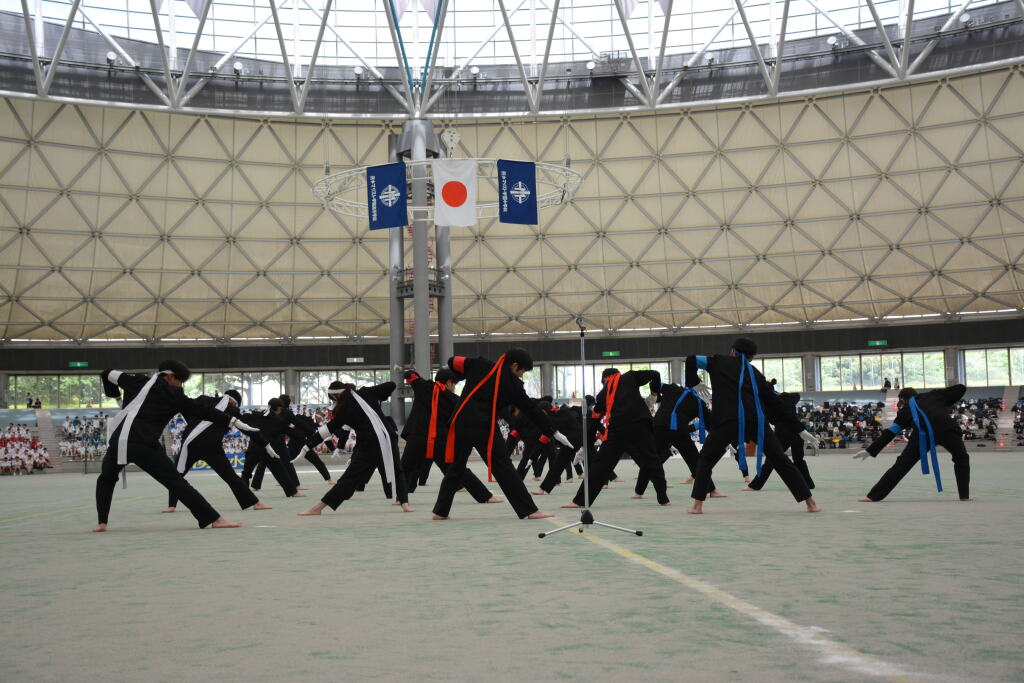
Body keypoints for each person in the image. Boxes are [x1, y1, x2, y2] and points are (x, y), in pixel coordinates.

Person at [94, 362, 251, 531]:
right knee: (176, 482)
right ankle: (214, 519)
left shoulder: (136, 380)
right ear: (170, 377)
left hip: (118, 442)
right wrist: (231, 420)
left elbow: (107, 373)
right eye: (180, 381)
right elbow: (202, 410)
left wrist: (116, 397)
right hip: (144, 444)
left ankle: (102, 523)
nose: (180, 385)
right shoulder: (173, 394)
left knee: (106, 480)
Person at [431, 348, 572, 520]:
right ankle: (529, 510)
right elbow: (532, 410)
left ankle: (440, 512)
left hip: (460, 421)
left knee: (456, 467)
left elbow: (453, 361)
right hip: (483, 426)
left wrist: (463, 376)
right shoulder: (514, 386)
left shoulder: (480, 364)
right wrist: (553, 431)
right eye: (522, 372)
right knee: (503, 467)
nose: (521, 376)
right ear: (514, 366)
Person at [684, 338, 821, 515]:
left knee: (706, 460)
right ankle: (810, 502)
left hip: (726, 421)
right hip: (757, 422)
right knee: (780, 460)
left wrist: (694, 382)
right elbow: (776, 404)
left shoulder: (718, 361)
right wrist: (800, 429)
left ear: (732, 351)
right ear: (751, 358)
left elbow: (691, 359)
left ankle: (697, 506)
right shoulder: (756, 374)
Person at [296, 381, 412, 516]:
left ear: (336, 396)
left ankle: (318, 508)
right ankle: (405, 504)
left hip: (369, 445)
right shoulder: (366, 392)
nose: (333, 402)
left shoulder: (343, 409)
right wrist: (379, 397)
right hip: (388, 439)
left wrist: (307, 446)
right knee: (397, 471)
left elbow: (327, 430)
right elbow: (391, 385)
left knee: (350, 478)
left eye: (332, 399)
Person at [562, 367, 671, 509]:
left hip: (618, 429)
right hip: (641, 424)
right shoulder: (631, 376)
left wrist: (585, 446)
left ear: (605, 379)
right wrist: (654, 394)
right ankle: (663, 498)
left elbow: (594, 422)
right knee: (652, 459)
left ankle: (580, 501)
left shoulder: (603, 394)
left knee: (601, 465)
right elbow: (655, 374)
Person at [399, 368, 502, 503]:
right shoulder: (454, 400)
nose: (454, 387)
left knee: (405, 467)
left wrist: (417, 378)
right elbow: (472, 412)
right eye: (454, 384)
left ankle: (400, 498)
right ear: (448, 382)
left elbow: (409, 375)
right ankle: (486, 497)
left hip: (416, 437)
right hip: (440, 439)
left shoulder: (424, 387)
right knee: (457, 468)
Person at [853, 384, 971, 501]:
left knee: (902, 465)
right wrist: (940, 396)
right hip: (948, 430)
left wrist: (870, 450)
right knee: (962, 459)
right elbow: (961, 388)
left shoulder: (905, 411)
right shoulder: (933, 396)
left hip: (922, 436)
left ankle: (873, 496)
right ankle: (964, 496)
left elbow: (890, 432)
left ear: (903, 400)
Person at [162, 389, 272, 514]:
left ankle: (171, 506)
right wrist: (265, 444)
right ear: (234, 402)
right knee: (231, 477)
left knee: (176, 475)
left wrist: (193, 425)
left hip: (190, 443)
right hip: (212, 446)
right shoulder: (233, 410)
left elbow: (186, 408)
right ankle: (255, 503)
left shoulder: (203, 399)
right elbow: (248, 429)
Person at [637, 381, 725, 498]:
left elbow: (654, 383)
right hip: (679, 430)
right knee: (694, 460)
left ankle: (638, 492)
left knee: (651, 457)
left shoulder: (671, 388)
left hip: (660, 426)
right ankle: (712, 490)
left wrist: (654, 394)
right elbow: (710, 424)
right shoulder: (699, 402)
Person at [743, 391, 816, 492]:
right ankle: (809, 484)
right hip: (797, 431)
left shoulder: (770, 404)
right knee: (799, 460)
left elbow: (769, 419)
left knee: (771, 460)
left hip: (783, 433)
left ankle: (755, 485)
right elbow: (796, 396)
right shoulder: (790, 400)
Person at [241, 398, 305, 498]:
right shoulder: (277, 420)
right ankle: (293, 492)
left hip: (253, 447)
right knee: (280, 471)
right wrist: (306, 440)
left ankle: (244, 494)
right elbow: (291, 432)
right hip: (266, 449)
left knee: (246, 472)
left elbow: (244, 420)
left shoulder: (257, 415)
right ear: (279, 408)